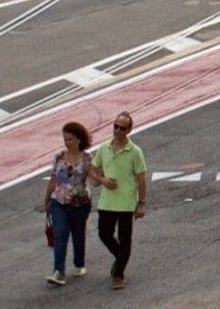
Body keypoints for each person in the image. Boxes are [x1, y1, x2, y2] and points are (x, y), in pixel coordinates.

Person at [88, 110, 149, 288]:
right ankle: (120, 257)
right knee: (104, 234)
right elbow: (92, 169)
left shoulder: (135, 151)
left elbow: (141, 179)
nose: (117, 131)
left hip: (126, 203)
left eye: (122, 128)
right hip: (107, 201)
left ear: (129, 130)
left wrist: (141, 204)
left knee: (125, 238)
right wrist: (102, 180)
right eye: (115, 126)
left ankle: (118, 273)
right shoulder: (104, 148)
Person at [37, 120, 92, 288]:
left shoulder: (88, 159)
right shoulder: (59, 158)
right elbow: (54, 179)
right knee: (60, 235)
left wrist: (102, 180)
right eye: (65, 139)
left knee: (78, 235)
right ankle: (58, 272)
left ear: (79, 140)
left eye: (70, 139)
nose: (67, 142)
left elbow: (95, 178)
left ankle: (79, 263)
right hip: (58, 202)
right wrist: (46, 200)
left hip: (80, 203)